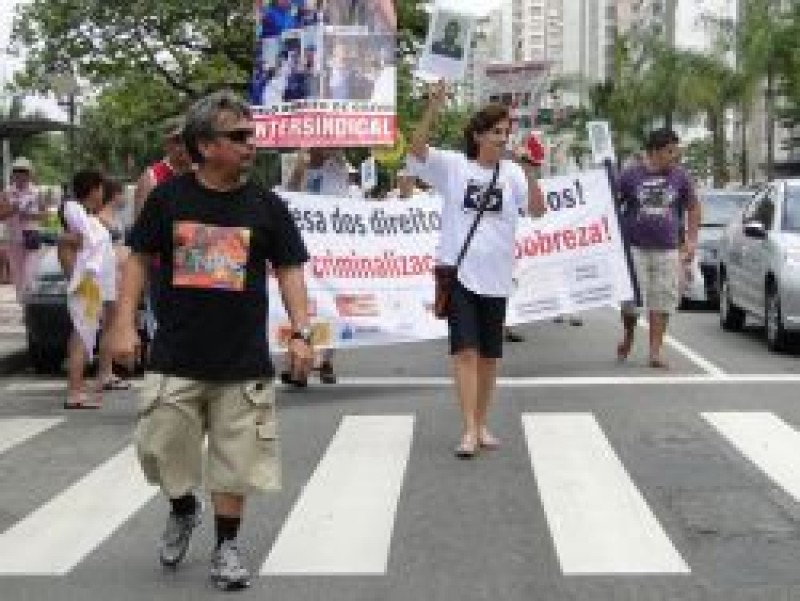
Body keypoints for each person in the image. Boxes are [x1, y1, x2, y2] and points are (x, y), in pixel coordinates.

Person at [110, 90, 313, 591]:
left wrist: (303, 333)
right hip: (176, 354)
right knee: (159, 450)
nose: (252, 145)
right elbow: (137, 258)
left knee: (235, 463)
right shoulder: (170, 198)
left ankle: (227, 547)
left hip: (242, 361)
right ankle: (183, 508)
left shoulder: (266, 205)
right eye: (238, 137)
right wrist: (121, 324)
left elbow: (290, 269)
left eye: (252, 135)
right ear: (204, 144)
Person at [407, 80, 546, 458]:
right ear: (479, 136)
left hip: (498, 278)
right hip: (460, 274)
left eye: (506, 132)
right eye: (496, 132)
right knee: (465, 353)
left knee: (488, 357)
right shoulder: (454, 167)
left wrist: (532, 170)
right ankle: (469, 428)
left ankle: (481, 423)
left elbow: (536, 210)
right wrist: (433, 107)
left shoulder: (513, 175)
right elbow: (416, 152)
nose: (503, 138)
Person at [616, 128, 700, 369]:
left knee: (662, 301)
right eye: (670, 151)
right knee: (630, 304)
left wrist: (691, 240)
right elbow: (612, 204)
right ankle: (629, 333)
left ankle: (655, 352)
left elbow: (693, 207)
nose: (675, 156)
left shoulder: (680, 177)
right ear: (654, 152)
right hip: (635, 248)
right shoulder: (630, 176)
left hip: (667, 249)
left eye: (676, 151)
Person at [285, 148, 346, 385]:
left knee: (330, 305)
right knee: (300, 305)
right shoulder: (300, 163)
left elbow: (339, 206)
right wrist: (301, 167)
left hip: (329, 249)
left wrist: (336, 158)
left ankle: (325, 359)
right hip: (302, 247)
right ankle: (298, 363)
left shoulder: (336, 167)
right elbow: (289, 195)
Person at [59, 170, 117, 408]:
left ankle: (77, 388)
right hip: (85, 283)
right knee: (82, 335)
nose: (103, 194)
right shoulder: (75, 211)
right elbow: (75, 239)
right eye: (101, 188)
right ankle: (74, 392)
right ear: (94, 189)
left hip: (90, 285)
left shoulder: (86, 215)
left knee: (84, 334)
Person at [0, 157, 44, 302]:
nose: (21, 174)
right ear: (13, 174)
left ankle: (29, 302)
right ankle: (24, 306)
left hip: (31, 237)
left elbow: (44, 216)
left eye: (24, 171)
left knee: (30, 274)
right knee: (18, 276)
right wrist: (15, 208)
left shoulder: (37, 192)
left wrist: (30, 215)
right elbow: (1, 215)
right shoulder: (7, 192)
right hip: (13, 240)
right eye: (17, 171)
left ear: (30, 173)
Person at [133, 117, 193, 218]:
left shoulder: (202, 172)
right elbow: (142, 225)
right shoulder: (152, 177)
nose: (184, 145)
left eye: (188, 139)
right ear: (166, 145)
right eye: (177, 140)